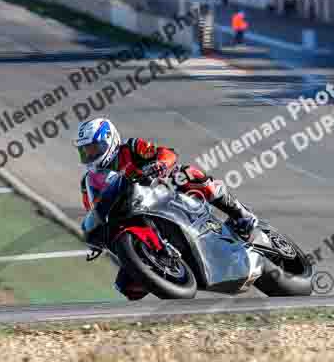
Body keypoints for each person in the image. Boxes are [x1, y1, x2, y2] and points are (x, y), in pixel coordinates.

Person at [74, 118, 258, 300]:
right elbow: (93, 209)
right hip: (127, 216)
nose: (90, 155)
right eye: (85, 151)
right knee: (128, 288)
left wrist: (160, 164)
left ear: (110, 141)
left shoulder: (131, 147)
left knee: (186, 173)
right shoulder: (87, 182)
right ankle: (169, 268)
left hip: (160, 194)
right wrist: (96, 235)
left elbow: (166, 153)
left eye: (94, 148)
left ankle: (239, 213)